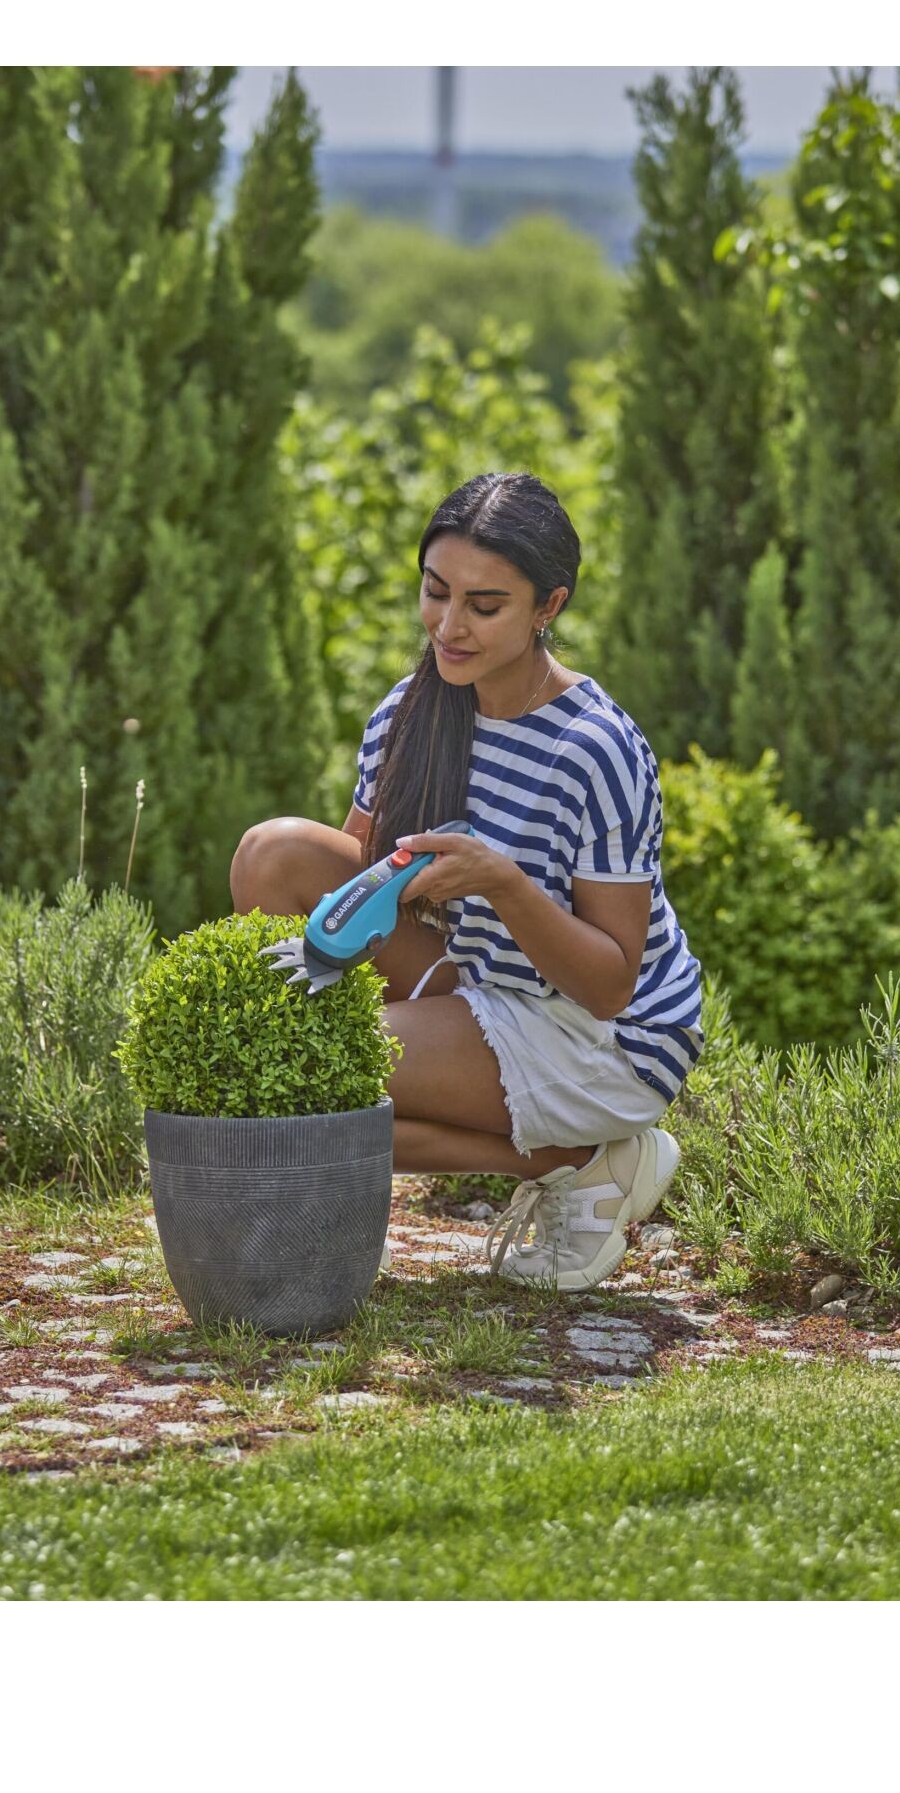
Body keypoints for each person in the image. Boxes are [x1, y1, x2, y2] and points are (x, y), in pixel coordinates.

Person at [230, 472, 704, 1291]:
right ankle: (549, 1157)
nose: (449, 627)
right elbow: (355, 894)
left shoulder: (594, 750)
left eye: (484, 607)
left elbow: (609, 986)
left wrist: (503, 883)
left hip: (600, 1036)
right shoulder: (410, 712)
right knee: (272, 854)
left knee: (307, 1068)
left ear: (548, 607)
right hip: (484, 981)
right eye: (435, 592)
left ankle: (579, 1157)